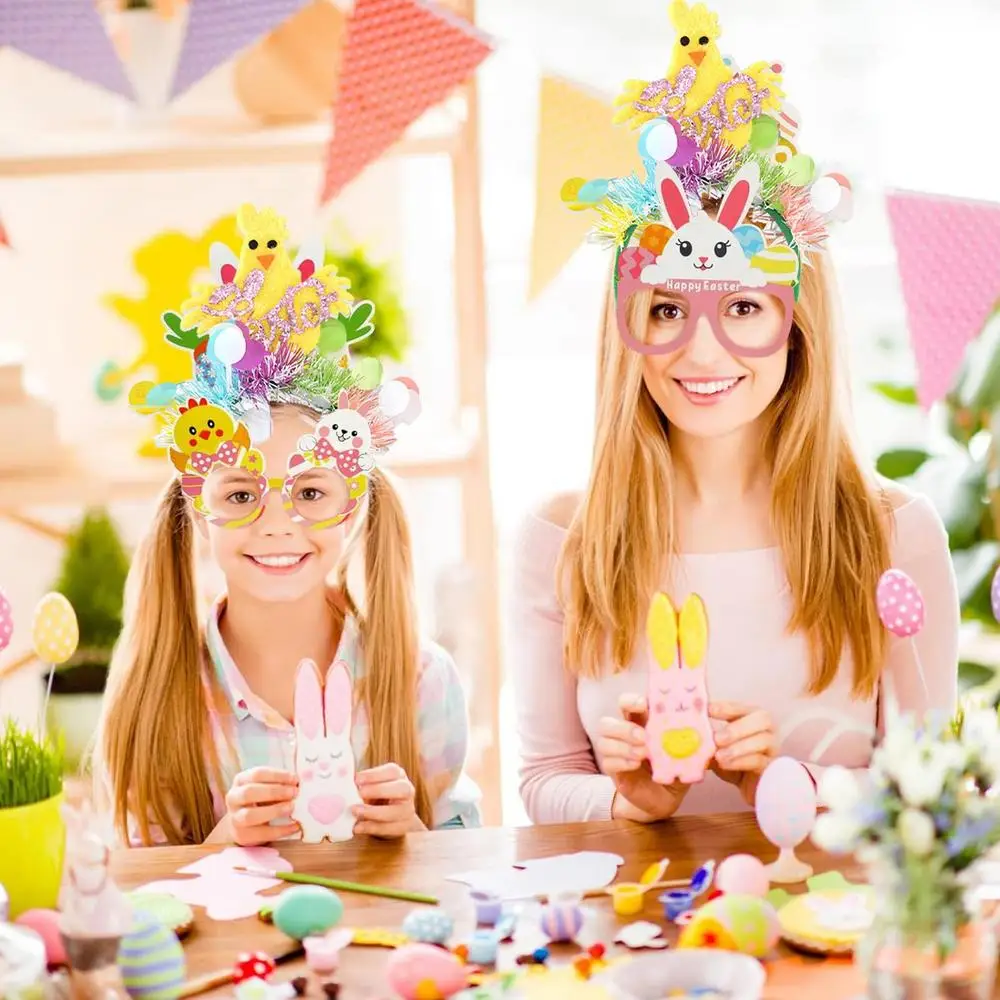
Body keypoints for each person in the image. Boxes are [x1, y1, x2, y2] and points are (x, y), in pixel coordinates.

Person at [511, 2, 959, 826]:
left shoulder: (894, 532)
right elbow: (542, 782)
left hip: (825, 928)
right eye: (668, 310)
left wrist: (794, 789)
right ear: (627, 324)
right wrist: (627, 799)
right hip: (638, 935)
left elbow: (930, 790)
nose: (703, 353)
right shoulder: (562, 537)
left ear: (801, 327)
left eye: (745, 308)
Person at [93, 205, 480, 846]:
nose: (278, 524)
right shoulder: (158, 693)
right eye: (242, 492)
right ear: (197, 502)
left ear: (353, 502)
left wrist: (416, 838)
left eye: (309, 490)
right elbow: (142, 902)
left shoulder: (420, 681)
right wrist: (223, 843)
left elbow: (465, 866)